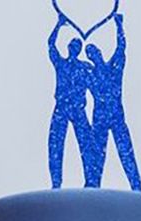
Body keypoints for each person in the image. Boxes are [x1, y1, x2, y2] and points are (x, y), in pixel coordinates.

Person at [85, 13, 141, 191]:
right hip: (100, 118)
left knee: (126, 153)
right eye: (89, 54)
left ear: (100, 53)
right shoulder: (89, 75)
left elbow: (121, 48)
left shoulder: (113, 68)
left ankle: (136, 187)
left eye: (94, 51)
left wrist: (119, 26)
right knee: (96, 158)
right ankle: (92, 189)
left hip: (116, 117)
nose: (92, 55)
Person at [47, 14, 99, 188]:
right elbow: (50, 45)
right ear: (69, 48)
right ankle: (56, 182)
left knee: (87, 144)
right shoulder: (61, 64)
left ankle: (91, 181)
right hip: (62, 108)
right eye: (72, 45)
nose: (74, 48)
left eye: (77, 46)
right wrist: (58, 25)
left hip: (78, 109)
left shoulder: (84, 68)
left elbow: (97, 86)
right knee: (55, 145)